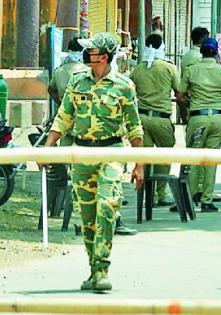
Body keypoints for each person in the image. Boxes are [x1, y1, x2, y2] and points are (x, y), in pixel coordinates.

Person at [41, 32, 144, 291]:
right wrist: (47, 147)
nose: (86, 55)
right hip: (82, 154)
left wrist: (139, 164)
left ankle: (102, 267)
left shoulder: (124, 85)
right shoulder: (78, 82)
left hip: (112, 153)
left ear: (105, 56)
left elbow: (135, 128)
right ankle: (94, 269)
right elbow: (63, 117)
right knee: (87, 216)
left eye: (92, 51)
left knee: (107, 206)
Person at [177, 37, 221, 212]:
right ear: (216, 52)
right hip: (218, 118)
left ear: (201, 51)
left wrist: (192, 106)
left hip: (198, 117)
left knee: (194, 158)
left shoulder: (190, 70)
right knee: (212, 160)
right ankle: (207, 199)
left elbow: (180, 97)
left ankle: (192, 195)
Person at [130, 34, 180, 207]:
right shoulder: (169, 69)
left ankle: (146, 194)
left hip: (141, 118)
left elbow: (130, 93)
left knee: (145, 157)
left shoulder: (137, 70)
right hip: (162, 119)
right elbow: (179, 93)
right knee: (164, 156)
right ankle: (161, 194)